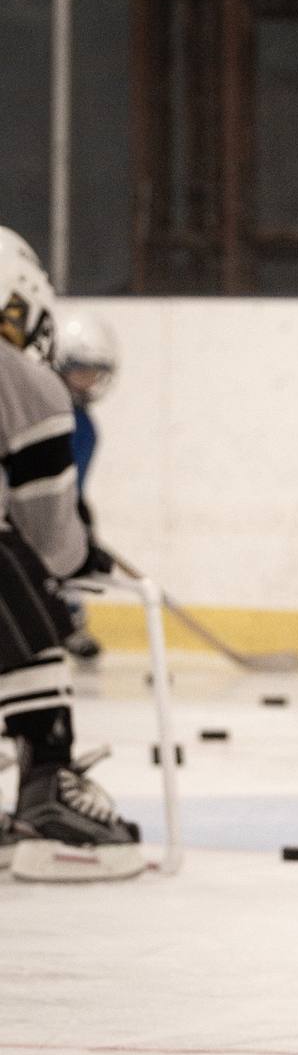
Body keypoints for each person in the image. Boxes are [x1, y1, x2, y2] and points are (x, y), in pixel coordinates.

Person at [0, 227, 143, 882]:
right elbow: (50, 543)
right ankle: (47, 788)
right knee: (36, 620)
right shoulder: (26, 380)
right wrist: (77, 561)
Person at [51, 306, 120, 661]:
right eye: (82, 370)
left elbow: (68, 490)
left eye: (96, 372)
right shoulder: (42, 413)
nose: (90, 380)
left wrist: (79, 520)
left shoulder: (86, 428)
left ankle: (68, 616)